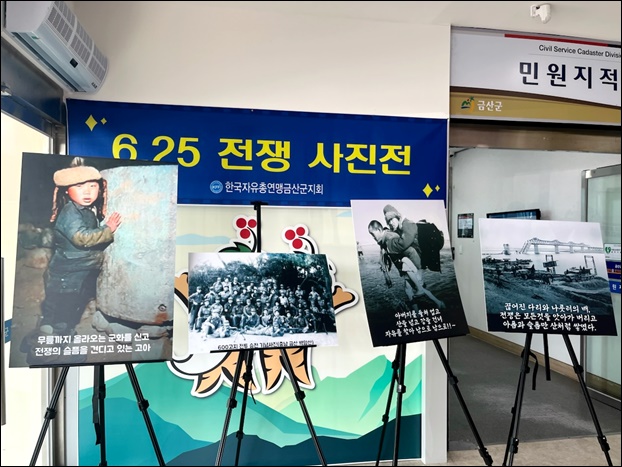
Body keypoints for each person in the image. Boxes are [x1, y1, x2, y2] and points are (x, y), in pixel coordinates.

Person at [40, 158, 122, 335]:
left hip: (78, 268)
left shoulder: (85, 209)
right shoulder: (70, 212)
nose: (87, 191)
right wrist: (108, 229)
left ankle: (51, 327)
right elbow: (81, 238)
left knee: (68, 300)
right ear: (67, 190)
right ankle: (57, 334)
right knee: (63, 302)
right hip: (68, 271)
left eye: (93, 186)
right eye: (79, 186)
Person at [368, 219, 445, 310]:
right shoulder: (384, 239)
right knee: (408, 289)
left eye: (373, 234)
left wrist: (416, 268)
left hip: (410, 265)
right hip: (407, 266)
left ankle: (437, 303)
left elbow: (409, 251)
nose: (372, 237)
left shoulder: (390, 237)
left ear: (379, 230)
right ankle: (420, 310)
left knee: (415, 288)